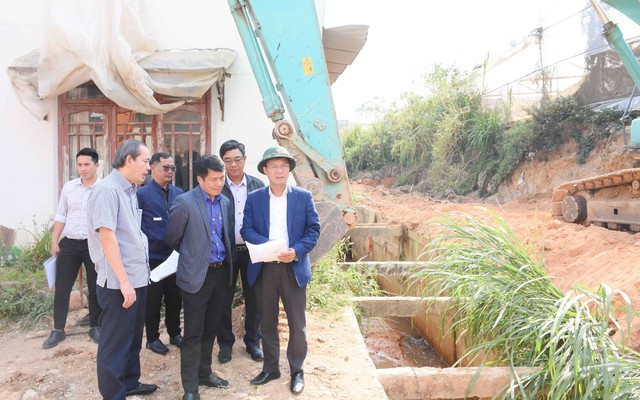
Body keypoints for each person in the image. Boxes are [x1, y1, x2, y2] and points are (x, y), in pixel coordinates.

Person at [241, 146, 320, 396]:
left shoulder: (303, 197)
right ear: (265, 170)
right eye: (274, 166)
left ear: (289, 170)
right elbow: (246, 229)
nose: (279, 171)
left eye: (283, 166)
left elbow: (313, 231)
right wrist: (269, 246)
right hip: (265, 267)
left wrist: (296, 251)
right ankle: (271, 368)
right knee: (267, 322)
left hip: (292, 267)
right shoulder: (254, 198)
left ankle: (297, 370)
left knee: (297, 324)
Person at [87, 139, 158, 399]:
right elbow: (107, 238)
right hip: (119, 284)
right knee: (115, 344)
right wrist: (124, 282)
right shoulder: (107, 190)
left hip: (136, 278)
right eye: (145, 161)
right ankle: (113, 394)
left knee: (132, 338)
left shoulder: (129, 190)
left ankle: (129, 382)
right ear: (129, 160)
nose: (149, 167)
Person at [166, 155, 234, 400]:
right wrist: (193, 257)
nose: (219, 183)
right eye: (213, 179)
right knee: (193, 332)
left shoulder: (225, 202)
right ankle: (190, 387)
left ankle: (205, 373)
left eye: (221, 178)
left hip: (220, 273)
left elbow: (226, 236)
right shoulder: (185, 202)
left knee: (211, 328)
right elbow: (172, 238)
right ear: (200, 179)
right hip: (196, 276)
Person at [43, 147, 103, 349]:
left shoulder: (104, 189)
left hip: (93, 244)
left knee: (95, 287)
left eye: (87, 164)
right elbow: (61, 214)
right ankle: (58, 330)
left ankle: (95, 326)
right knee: (62, 287)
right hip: (69, 242)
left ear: (96, 165)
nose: (83, 168)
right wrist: (54, 241)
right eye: (79, 165)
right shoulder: (69, 187)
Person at [216, 140, 265, 364]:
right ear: (223, 162)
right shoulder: (217, 185)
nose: (233, 165)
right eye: (228, 161)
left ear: (245, 159)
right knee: (223, 298)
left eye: (237, 159)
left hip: (252, 251)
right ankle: (225, 344)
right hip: (225, 252)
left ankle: (253, 341)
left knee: (254, 297)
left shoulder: (257, 185)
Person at [136, 152, 184, 355]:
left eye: (172, 168)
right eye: (165, 167)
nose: (169, 171)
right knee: (153, 301)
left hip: (175, 257)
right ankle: (152, 338)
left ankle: (175, 334)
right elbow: (136, 225)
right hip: (153, 258)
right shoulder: (142, 194)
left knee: (175, 299)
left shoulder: (179, 193)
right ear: (153, 167)